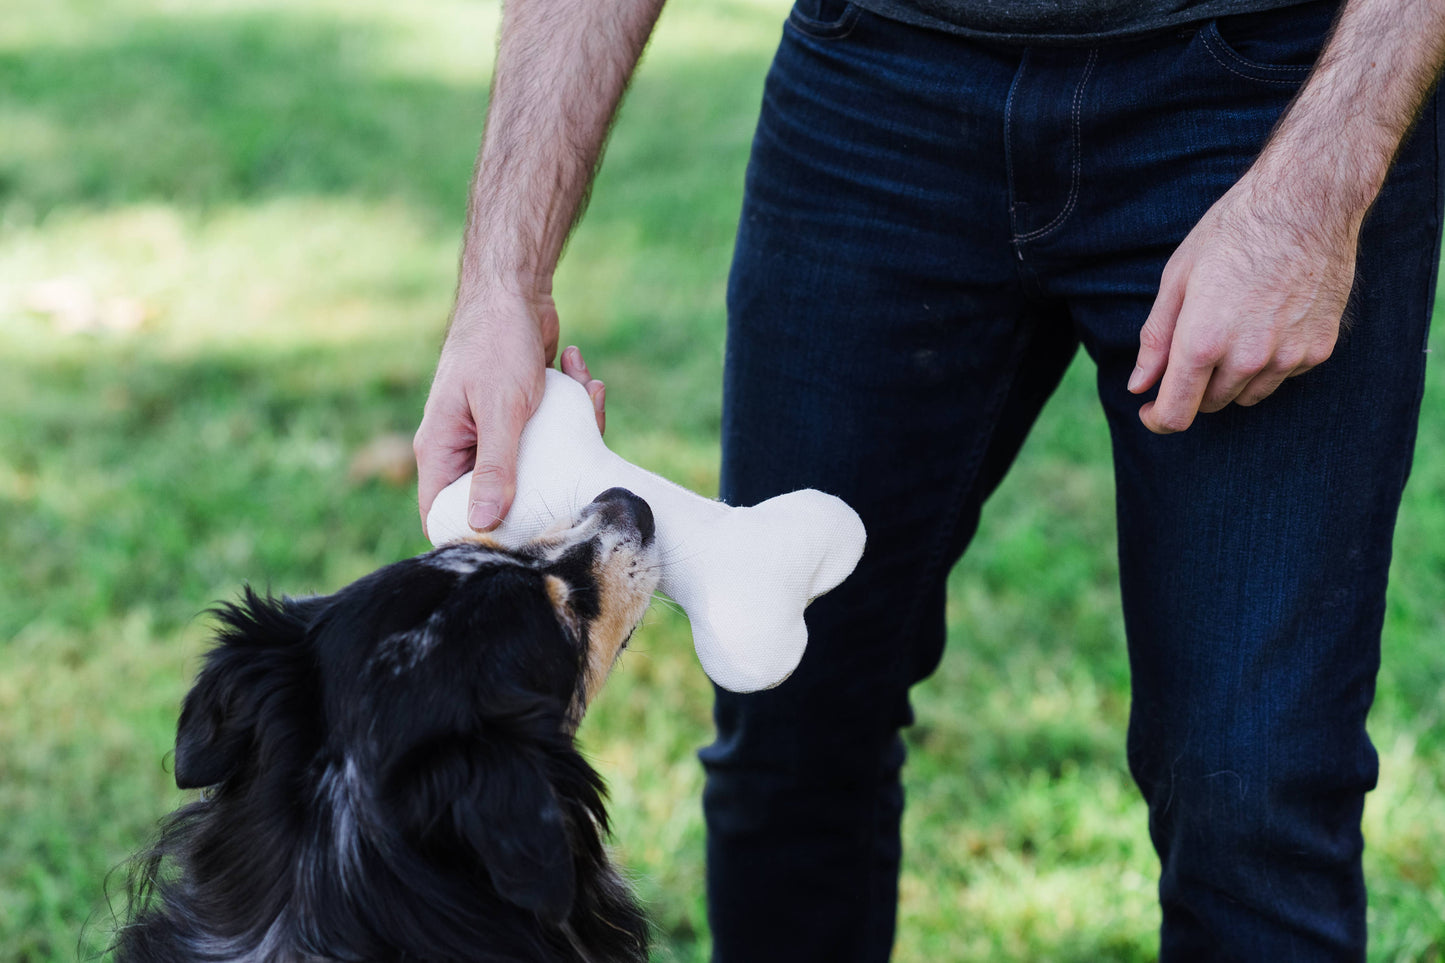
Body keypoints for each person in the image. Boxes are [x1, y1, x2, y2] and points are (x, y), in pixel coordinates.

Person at [412, 0, 1445, 958]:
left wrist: (1318, 186)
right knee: (790, 725)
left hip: (1276, 83)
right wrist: (501, 278)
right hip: (877, 78)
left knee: (1253, 787)